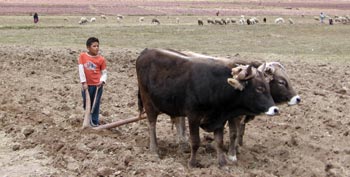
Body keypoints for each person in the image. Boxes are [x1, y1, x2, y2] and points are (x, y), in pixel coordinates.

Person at [78, 37, 107, 127]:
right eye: (94, 46)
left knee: (96, 103)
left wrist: (102, 81)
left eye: (98, 46)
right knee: (86, 103)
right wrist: (84, 82)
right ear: (88, 47)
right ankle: (87, 118)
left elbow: (104, 73)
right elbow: (81, 70)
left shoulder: (101, 59)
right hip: (87, 85)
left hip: (97, 86)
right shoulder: (83, 56)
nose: (97, 48)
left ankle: (94, 121)